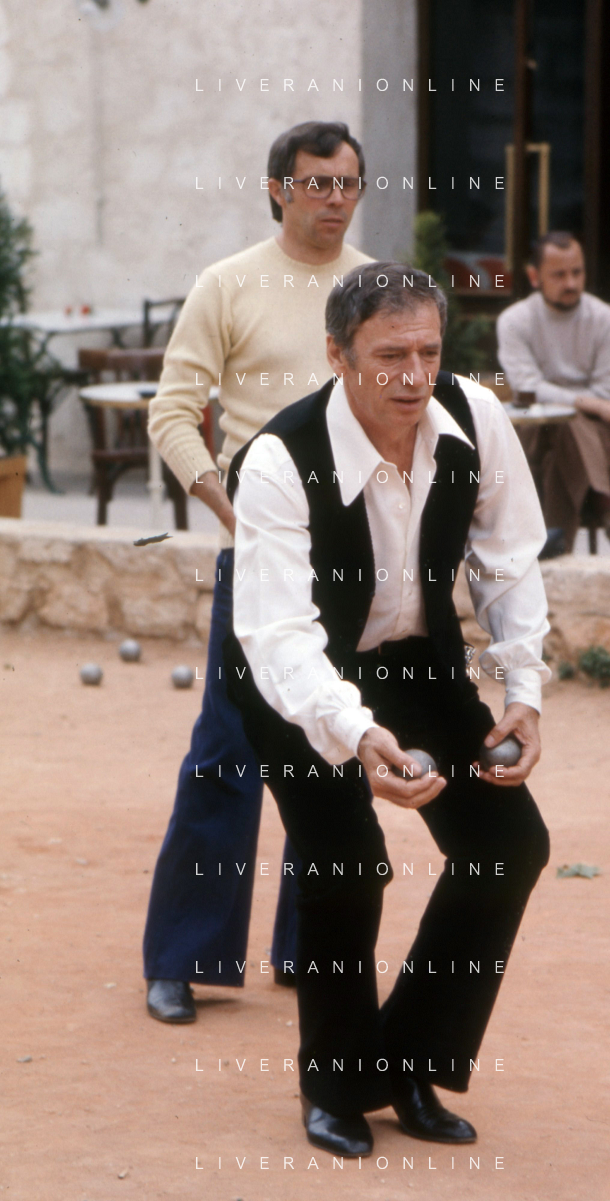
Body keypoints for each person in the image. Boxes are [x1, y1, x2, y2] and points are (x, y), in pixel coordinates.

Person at [224, 262, 551, 1155]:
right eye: (388, 356)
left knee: (507, 843)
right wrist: (357, 732)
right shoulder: (278, 460)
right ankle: (334, 1083)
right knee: (346, 863)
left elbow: (507, 559)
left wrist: (522, 691)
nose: (413, 376)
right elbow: (280, 634)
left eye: (428, 352)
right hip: (297, 678)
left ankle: (409, 1060)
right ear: (337, 355)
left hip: (413, 658)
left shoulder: (474, 419)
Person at [142, 121, 372, 1023]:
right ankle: (182, 956)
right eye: (316, 183)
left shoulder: (375, 288)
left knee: (333, 745)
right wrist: (227, 509)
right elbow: (172, 410)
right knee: (226, 752)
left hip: (350, 561)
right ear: (278, 188)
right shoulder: (227, 283)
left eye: (347, 183)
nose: (333, 199)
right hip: (258, 556)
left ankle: (309, 948)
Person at [496, 231, 610, 549]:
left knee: (567, 429)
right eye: (559, 274)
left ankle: (555, 543)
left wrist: (582, 405)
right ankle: (607, 508)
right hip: (537, 429)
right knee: (561, 424)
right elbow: (527, 387)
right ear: (535, 277)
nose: (571, 283)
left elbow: (608, 393)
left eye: (577, 272)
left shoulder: (606, 319)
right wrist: (590, 403)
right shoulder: (515, 320)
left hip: (600, 432)